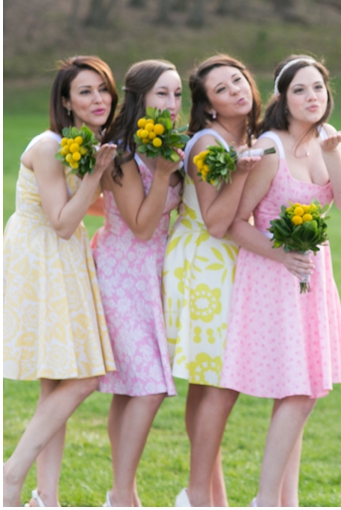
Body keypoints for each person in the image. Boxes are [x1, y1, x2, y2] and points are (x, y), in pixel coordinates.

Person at [220, 55, 341, 506]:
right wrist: (283, 255)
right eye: (300, 90)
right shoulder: (270, 147)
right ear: (283, 97)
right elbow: (238, 222)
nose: (312, 97)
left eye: (318, 87)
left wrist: (335, 154)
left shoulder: (327, 142)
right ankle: (264, 500)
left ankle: (286, 502)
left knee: (302, 391)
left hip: (314, 280)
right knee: (299, 393)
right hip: (273, 278)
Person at [3, 56, 118, 507]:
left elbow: (84, 208)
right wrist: (96, 175)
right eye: (85, 91)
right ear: (66, 102)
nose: (97, 99)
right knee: (85, 376)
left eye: (103, 89)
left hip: (64, 258)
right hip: (42, 258)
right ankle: (11, 474)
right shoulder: (50, 145)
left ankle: (44, 498)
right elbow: (62, 221)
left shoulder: (85, 143)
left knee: (57, 382)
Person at [162, 55, 264, 507]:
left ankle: (209, 495)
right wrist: (241, 173)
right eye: (222, 89)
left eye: (238, 80)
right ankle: (198, 494)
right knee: (222, 380)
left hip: (225, 265)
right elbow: (217, 221)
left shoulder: (248, 137)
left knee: (208, 383)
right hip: (204, 267)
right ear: (208, 107)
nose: (236, 90)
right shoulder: (207, 144)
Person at [93, 60, 184, 507]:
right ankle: (121, 496)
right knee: (148, 387)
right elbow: (142, 227)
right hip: (120, 274)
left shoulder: (168, 146)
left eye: (177, 95)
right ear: (140, 98)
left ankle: (122, 491)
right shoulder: (123, 153)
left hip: (155, 278)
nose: (171, 104)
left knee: (134, 387)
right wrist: (165, 175)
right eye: (162, 94)